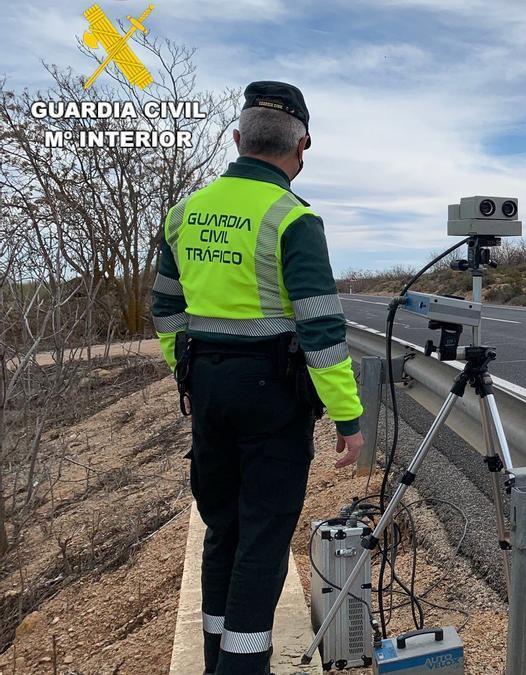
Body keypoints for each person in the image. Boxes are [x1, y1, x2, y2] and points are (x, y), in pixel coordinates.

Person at [151, 81, 364, 675]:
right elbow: (322, 332)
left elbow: (166, 310)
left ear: (238, 138)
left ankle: (218, 654)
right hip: (272, 398)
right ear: (303, 146)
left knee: (224, 527)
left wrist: (187, 371)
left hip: (209, 390)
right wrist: (347, 417)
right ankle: (244, 666)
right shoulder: (293, 219)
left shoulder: (183, 213)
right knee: (264, 541)